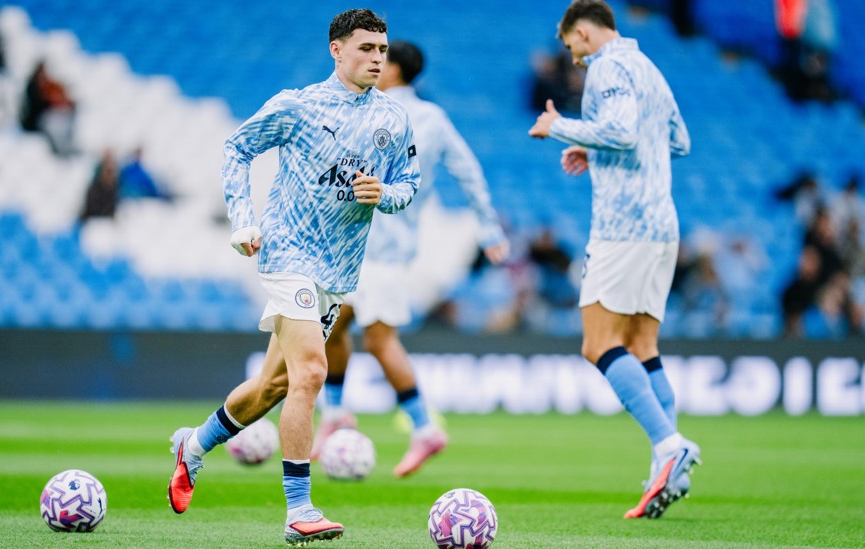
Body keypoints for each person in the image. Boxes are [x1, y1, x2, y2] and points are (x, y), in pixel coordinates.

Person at [165, 9, 419, 546]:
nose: (377, 58)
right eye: (366, 48)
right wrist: (244, 220)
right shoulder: (297, 106)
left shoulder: (393, 120)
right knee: (310, 374)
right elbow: (237, 148)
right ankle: (299, 510)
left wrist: (386, 195)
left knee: (274, 386)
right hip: (288, 253)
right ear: (336, 49)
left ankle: (193, 445)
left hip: (338, 270)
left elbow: (409, 184)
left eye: (382, 50)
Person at [527, 0, 700, 519]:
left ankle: (671, 448)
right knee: (643, 345)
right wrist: (596, 149)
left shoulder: (607, 66)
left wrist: (561, 128)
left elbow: (622, 133)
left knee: (598, 343)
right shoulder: (648, 67)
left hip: (623, 227)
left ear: (582, 31)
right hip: (662, 224)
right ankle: (665, 473)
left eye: (570, 45)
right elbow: (678, 141)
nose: (574, 58)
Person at [310, 40, 509, 478]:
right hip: (386, 246)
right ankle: (336, 414)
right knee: (333, 326)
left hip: (370, 245)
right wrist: (488, 226)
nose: (372, 64)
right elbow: (468, 170)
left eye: (378, 58)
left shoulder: (371, 109)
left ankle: (423, 427)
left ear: (394, 69)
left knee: (379, 339)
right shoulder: (433, 118)